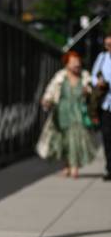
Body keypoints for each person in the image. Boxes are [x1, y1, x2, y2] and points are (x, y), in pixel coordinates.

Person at [36, 50, 96, 178]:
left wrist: (88, 90)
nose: (77, 64)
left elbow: (91, 88)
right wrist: (47, 100)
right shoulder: (60, 76)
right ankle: (67, 164)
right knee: (63, 140)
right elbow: (51, 90)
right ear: (67, 63)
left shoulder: (84, 76)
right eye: (73, 62)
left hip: (78, 112)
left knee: (76, 138)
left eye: (78, 62)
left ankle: (74, 166)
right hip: (61, 112)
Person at [91, 32, 111, 180]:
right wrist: (97, 82)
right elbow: (93, 76)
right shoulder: (102, 58)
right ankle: (109, 167)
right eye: (107, 45)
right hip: (105, 104)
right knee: (107, 136)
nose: (109, 47)